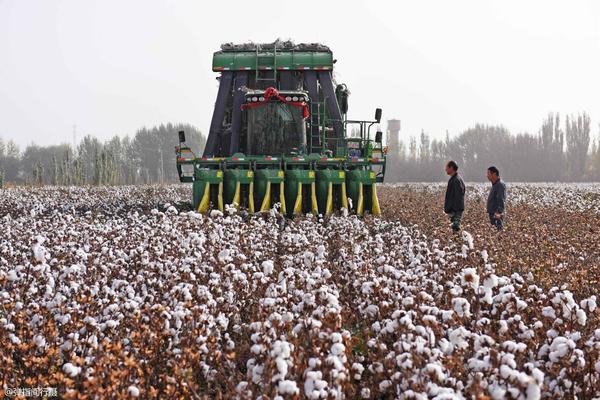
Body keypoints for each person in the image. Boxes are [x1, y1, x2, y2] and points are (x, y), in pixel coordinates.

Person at [444, 161, 465, 232]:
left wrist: (454, 211)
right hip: (454, 210)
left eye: (447, 167)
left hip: (456, 211)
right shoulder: (454, 179)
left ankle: (459, 242)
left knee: (456, 229)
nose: (445, 169)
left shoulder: (456, 180)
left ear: (451, 168)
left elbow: (459, 197)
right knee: (454, 229)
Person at [486, 166, 506, 230]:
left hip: (496, 214)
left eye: (488, 174)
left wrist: (499, 212)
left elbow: (501, 199)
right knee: (494, 230)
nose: (487, 176)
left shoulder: (500, 185)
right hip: (493, 213)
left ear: (494, 174)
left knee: (498, 230)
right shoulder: (495, 184)